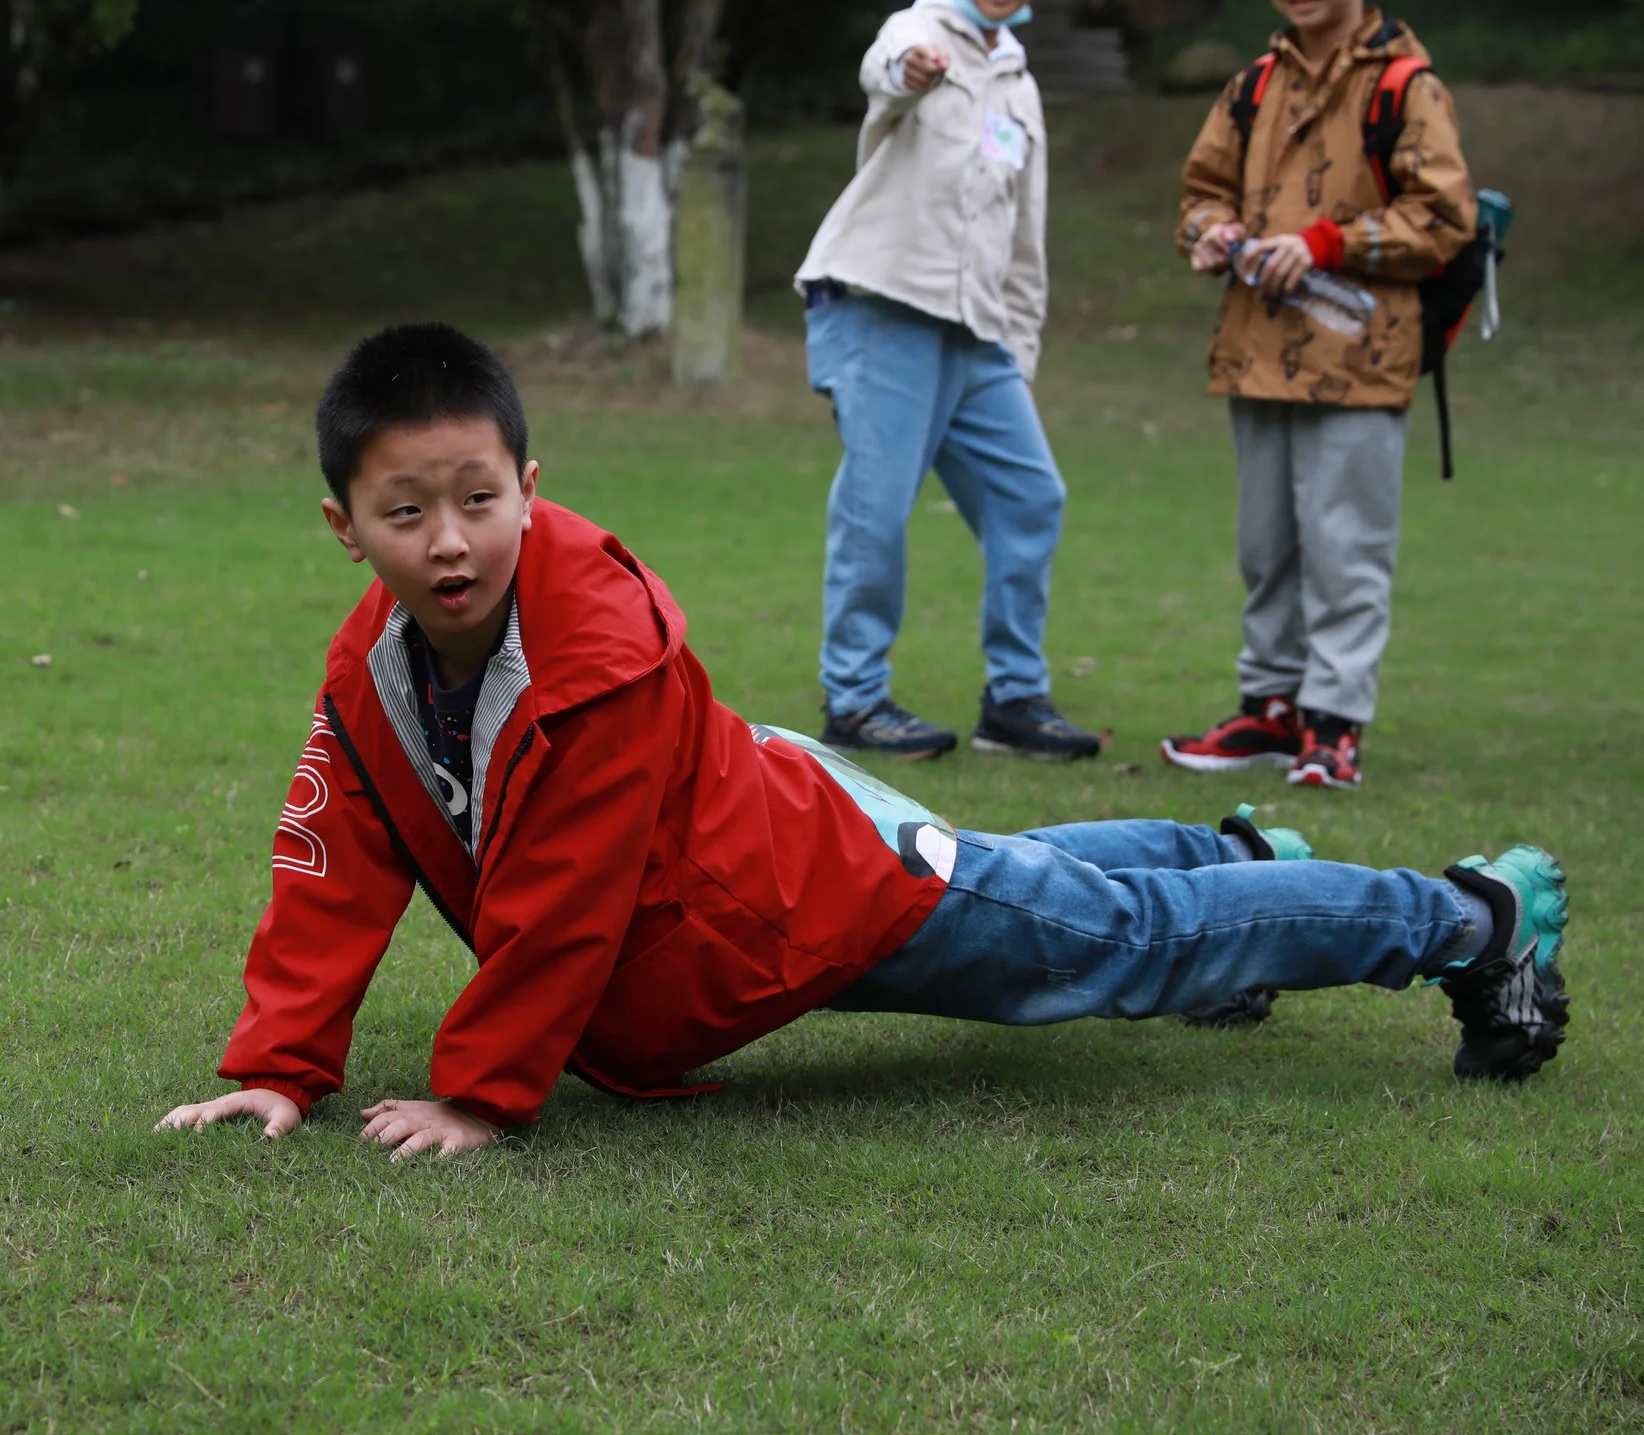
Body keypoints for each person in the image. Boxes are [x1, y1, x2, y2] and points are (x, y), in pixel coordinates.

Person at [153, 325, 1570, 1159]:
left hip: (813, 894)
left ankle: (1471, 915)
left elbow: (564, 898)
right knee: (1040, 883)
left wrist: (478, 1094)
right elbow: (333, 860)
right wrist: (283, 1063)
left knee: (1120, 940)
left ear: (529, 484)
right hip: (767, 860)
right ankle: (1242, 855)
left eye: (477, 498)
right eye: (406, 512)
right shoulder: (373, 668)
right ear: (346, 528)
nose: (450, 540)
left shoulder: (596, 655)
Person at [1160, 0, 1475, 791]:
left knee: (1346, 547)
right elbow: (1199, 192)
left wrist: (1328, 243)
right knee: (1267, 546)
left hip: (1362, 362)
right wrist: (1211, 233)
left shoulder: (1408, 87)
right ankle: (1270, 708)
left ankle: (1334, 723)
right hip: (1255, 352)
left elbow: (1443, 218)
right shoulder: (1253, 85)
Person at [790, 0, 1095, 763]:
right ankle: (855, 700)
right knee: (877, 509)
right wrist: (912, 69)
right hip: (881, 309)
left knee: (1032, 496)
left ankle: (1016, 699)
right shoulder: (918, 31)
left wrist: (1019, 357)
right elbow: (884, 69)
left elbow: (1025, 241)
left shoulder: (1020, 84)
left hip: (979, 338)